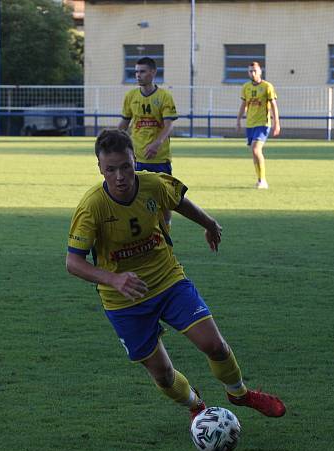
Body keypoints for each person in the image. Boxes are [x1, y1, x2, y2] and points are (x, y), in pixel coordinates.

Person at [66, 129, 286, 424]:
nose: (120, 176)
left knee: (215, 345)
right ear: (100, 168)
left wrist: (209, 223)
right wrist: (114, 279)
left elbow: (179, 201)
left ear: (135, 160)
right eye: (111, 169)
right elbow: (73, 263)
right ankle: (197, 407)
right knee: (164, 374)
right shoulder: (92, 206)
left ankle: (240, 394)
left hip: (168, 281)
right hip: (124, 300)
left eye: (126, 167)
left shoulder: (152, 184)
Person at [118, 57, 178, 227]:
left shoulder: (164, 97)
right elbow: (124, 122)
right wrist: (110, 139)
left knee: (164, 197)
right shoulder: (131, 96)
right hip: (136, 158)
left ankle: (166, 226)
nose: (138, 75)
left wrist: (157, 143)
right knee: (134, 197)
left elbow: (169, 125)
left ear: (153, 72)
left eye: (142, 71)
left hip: (159, 158)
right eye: (136, 72)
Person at [235, 62, 280, 189]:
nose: (252, 73)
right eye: (250, 71)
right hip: (250, 124)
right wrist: (238, 120)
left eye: (255, 70)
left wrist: (277, 123)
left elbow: (273, 106)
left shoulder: (267, 86)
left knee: (256, 149)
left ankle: (263, 180)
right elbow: (244, 105)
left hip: (263, 123)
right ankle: (259, 179)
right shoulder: (246, 87)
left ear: (260, 71)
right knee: (254, 152)